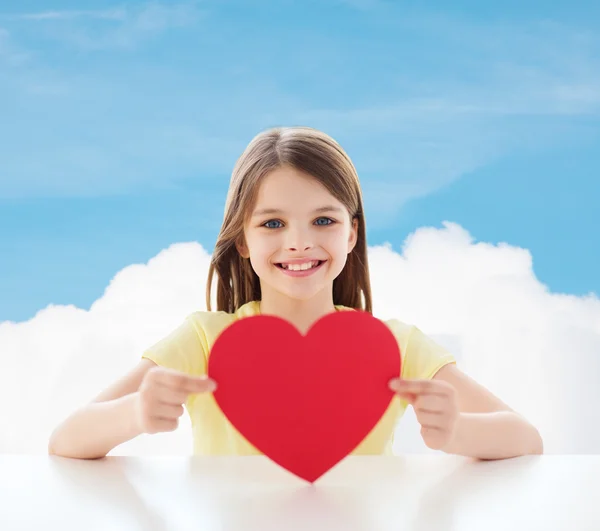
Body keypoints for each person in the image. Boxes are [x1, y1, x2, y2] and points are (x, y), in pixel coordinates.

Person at [48, 126, 543, 461]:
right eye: (273, 223)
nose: (299, 242)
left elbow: (526, 438)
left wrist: (458, 431)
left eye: (323, 220)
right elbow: (66, 440)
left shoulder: (395, 346)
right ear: (243, 239)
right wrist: (134, 414)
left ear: (351, 233)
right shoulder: (205, 339)